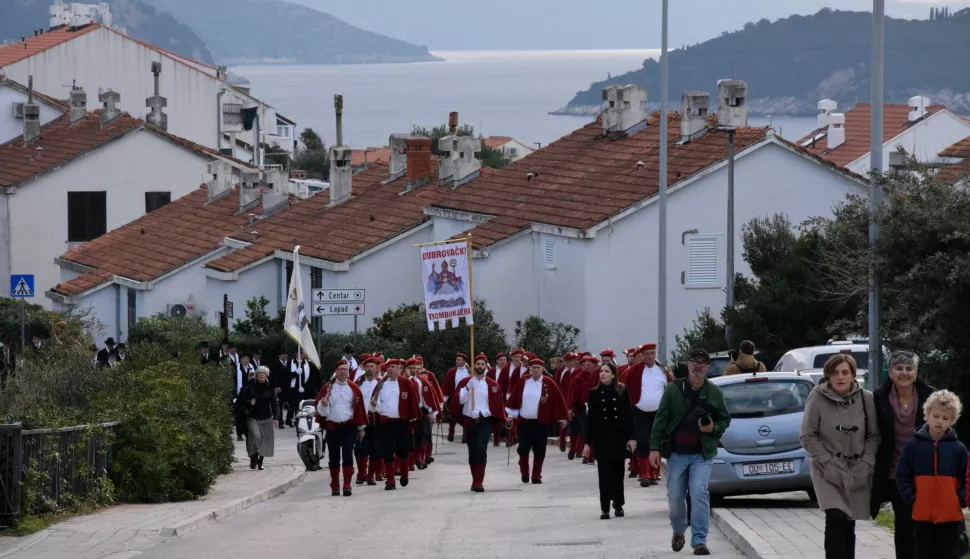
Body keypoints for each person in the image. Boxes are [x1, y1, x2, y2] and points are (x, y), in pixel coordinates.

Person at [649, 348, 731, 556]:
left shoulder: (713, 392)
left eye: (703, 363)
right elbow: (660, 418)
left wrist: (713, 428)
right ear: (688, 364)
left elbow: (724, 419)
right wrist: (654, 448)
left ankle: (699, 541)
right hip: (677, 454)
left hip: (702, 455)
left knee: (699, 493)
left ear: (708, 368)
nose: (698, 366)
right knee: (675, 497)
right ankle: (678, 530)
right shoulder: (673, 390)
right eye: (695, 361)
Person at [800, 354, 880, 559]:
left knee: (848, 522)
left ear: (853, 375)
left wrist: (866, 461)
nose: (840, 377)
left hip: (856, 468)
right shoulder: (817, 396)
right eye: (835, 373)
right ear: (828, 376)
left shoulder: (866, 398)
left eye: (845, 372)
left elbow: (873, 435)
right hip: (826, 469)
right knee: (835, 516)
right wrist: (827, 460)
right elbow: (807, 435)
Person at [870, 351, 936, 559]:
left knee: (924, 523)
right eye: (899, 368)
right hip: (895, 472)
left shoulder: (931, 396)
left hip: (925, 470)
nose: (904, 373)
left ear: (916, 372)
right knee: (904, 521)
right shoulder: (878, 397)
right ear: (890, 372)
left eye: (909, 369)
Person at [895, 390, 967, 559]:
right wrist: (912, 498)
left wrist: (961, 498)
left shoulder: (959, 449)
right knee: (923, 553)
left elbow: (967, 476)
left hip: (951, 516)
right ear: (927, 414)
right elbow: (901, 474)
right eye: (936, 416)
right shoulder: (913, 446)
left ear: (952, 420)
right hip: (922, 514)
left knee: (949, 553)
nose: (939, 421)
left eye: (945, 418)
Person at [505, 357, 568, 484]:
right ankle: (524, 472)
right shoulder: (523, 381)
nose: (535, 370)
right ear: (529, 369)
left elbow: (558, 400)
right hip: (524, 422)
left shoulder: (549, 383)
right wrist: (511, 415)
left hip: (541, 423)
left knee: (539, 449)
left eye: (538, 368)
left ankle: (536, 475)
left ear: (542, 369)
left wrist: (563, 418)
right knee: (523, 448)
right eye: (533, 367)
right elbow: (515, 398)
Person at [585, 362, 635, 519]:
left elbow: (628, 416)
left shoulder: (622, 390)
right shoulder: (594, 393)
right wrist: (587, 442)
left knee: (618, 474)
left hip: (619, 438)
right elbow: (590, 420)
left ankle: (618, 504)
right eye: (601, 371)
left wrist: (632, 438)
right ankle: (605, 508)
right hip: (602, 439)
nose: (603, 374)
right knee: (604, 475)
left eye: (607, 371)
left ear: (613, 374)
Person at [451, 354, 506, 492]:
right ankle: (474, 478)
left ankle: (479, 481)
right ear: (474, 366)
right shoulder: (466, 382)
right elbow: (459, 401)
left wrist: (483, 413)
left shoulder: (492, 384)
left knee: (481, 449)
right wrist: (468, 388)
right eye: (478, 364)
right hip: (470, 420)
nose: (480, 366)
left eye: (482, 364)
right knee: (473, 451)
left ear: (485, 366)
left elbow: (496, 405)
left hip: (484, 421)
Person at [316, 360, 368, 496]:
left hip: (349, 427)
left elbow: (359, 409)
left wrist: (361, 428)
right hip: (332, 427)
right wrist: (324, 404)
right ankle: (334, 485)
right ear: (336, 371)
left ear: (348, 372)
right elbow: (321, 411)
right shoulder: (327, 388)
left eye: (345, 369)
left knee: (347, 455)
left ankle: (346, 485)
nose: (343, 372)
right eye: (340, 369)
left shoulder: (354, 388)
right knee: (333, 457)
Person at [370, 359, 420, 490]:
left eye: (393, 367)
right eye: (388, 367)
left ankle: (404, 473)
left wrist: (412, 418)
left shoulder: (406, 383)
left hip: (401, 422)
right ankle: (390, 480)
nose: (390, 369)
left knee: (403, 450)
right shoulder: (381, 384)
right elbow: (374, 401)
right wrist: (376, 407)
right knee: (387, 450)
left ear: (399, 369)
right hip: (385, 423)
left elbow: (412, 401)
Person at [625, 342, 670, 487]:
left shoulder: (662, 370)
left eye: (652, 353)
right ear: (642, 356)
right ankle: (644, 473)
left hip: (658, 413)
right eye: (647, 354)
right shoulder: (634, 371)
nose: (650, 356)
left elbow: (671, 387)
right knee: (643, 440)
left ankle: (654, 472)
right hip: (639, 411)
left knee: (655, 441)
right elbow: (626, 390)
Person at [238, 367, 280, 471]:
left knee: (265, 440)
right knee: (257, 437)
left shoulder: (271, 387)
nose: (261, 375)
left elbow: (275, 404)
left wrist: (276, 418)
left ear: (267, 375)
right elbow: (241, 399)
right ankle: (253, 458)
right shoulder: (250, 386)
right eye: (259, 373)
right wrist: (249, 402)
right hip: (253, 417)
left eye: (263, 373)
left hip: (267, 417)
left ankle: (260, 461)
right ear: (256, 375)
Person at [567, 354, 601, 464]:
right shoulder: (579, 377)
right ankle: (585, 454)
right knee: (584, 429)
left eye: (589, 365)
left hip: (597, 407)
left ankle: (592, 453)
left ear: (596, 366)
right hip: (581, 408)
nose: (586, 367)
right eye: (584, 364)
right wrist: (570, 408)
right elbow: (573, 393)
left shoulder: (600, 375)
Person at [355, 357, 382, 485]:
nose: (370, 369)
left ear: (376, 368)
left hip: (376, 420)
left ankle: (371, 475)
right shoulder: (358, 383)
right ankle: (361, 473)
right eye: (367, 367)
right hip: (361, 419)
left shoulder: (381, 383)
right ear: (364, 368)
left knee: (375, 449)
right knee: (361, 448)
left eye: (372, 366)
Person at [442, 353, 472, 442]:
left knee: (466, 416)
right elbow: (447, 385)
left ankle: (465, 437)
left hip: (467, 397)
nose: (457, 361)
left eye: (459, 360)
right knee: (453, 416)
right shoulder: (452, 371)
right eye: (456, 359)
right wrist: (444, 399)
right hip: (455, 397)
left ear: (464, 361)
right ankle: (451, 434)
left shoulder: (469, 372)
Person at [287, 354, 320, 427]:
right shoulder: (290, 363)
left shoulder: (309, 364)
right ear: (295, 354)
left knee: (304, 406)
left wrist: (305, 387)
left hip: (305, 389)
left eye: (302, 354)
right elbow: (286, 375)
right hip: (294, 388)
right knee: (293, 405)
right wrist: (295, 373)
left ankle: (302, 420)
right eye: (299, 354)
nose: (300, 355)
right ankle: (290, 420)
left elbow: (311, 377)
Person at [271, 349, 290, 428]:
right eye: (283, 354)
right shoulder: (275, 364)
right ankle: (280, 422)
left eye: (286, 354)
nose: (285, 355)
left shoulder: (289, 363)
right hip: (280, 387)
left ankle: (289, 420)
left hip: (288, 387)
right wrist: (277, 386)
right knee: (279, 405)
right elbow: (274, 376)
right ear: (279, 356)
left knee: (291, 404)